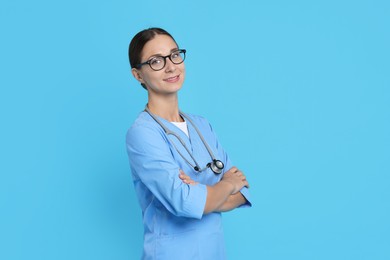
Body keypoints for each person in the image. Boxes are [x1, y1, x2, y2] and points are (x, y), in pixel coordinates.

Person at [126, 27, 252, 260]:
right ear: (138, 75)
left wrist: (201, 194)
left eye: (174, 54)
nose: (171, 66)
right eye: (156, 61)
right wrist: (226, 185)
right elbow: (183, 203)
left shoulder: (202, 126)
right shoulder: (142, 134)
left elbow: (243, 192)